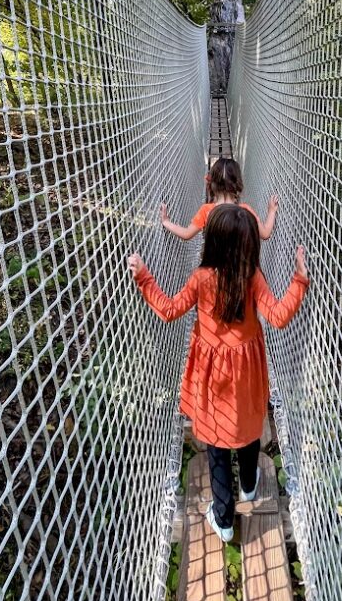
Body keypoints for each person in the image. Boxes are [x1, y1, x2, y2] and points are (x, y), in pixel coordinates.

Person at [128, 204, 308, 541]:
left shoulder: (202, 278)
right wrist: (299, 279)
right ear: (250, 244)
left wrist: (144, 276)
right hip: (248, 371)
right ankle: (251, 486)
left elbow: (168, 310)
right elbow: (280, 317)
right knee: (249, 423)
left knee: (216, 441)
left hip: (212, 375)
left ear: (212, 242)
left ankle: (223, 520)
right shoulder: (253, 276)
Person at [159, 157, 278, 241]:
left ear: (211, 184)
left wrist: (166, 222)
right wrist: (272, 211)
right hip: (240, 269)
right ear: (238, 183)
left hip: (214, 269)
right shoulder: (245, 211)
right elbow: (266, 233)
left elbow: (186, 234)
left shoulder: (206, 211)